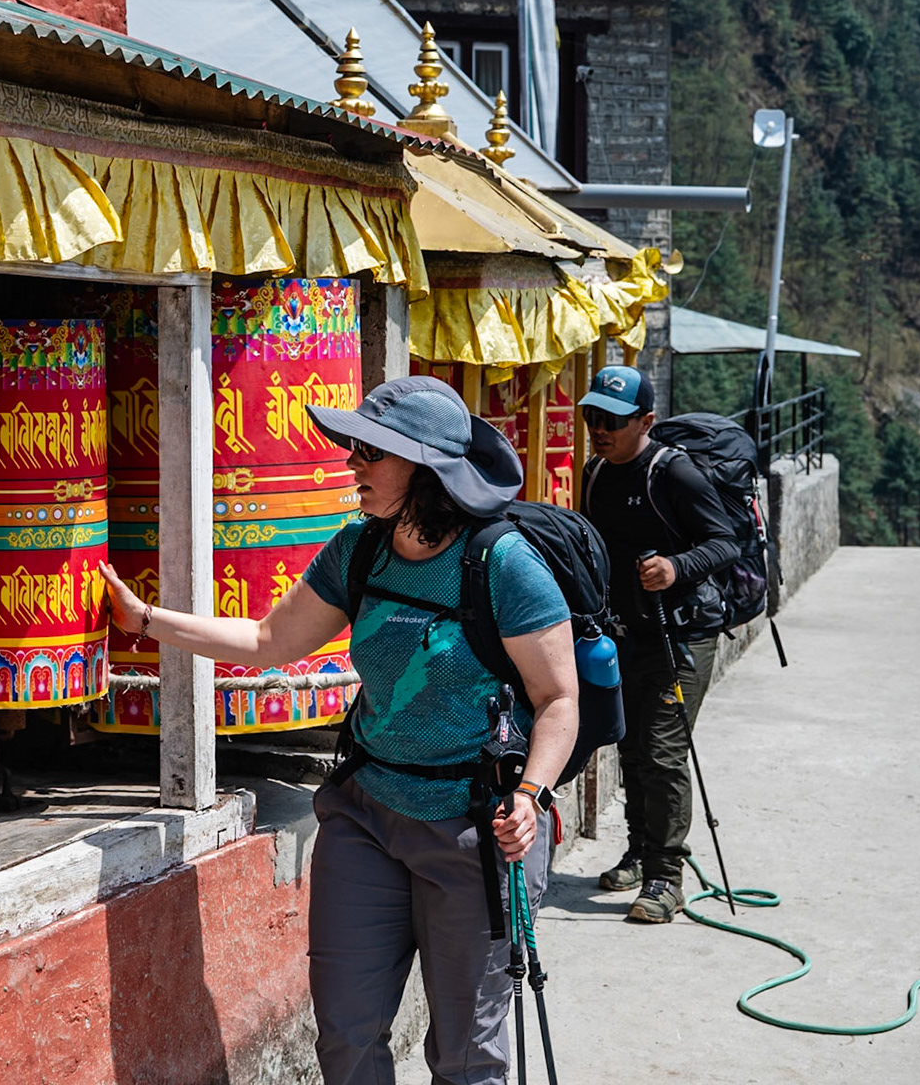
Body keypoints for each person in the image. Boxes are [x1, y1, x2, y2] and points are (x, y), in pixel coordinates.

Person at [101, 376, 578, 1085]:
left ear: (425, 468)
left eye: (370, 451)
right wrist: (146, 621)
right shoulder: (360, 547)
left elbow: (558, 698)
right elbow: (268, 639)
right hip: (366, 815)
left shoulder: (502, 563)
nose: (350, 462)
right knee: (346, 1038)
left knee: (466, 1056)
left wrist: (531, 795)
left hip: (473, 832)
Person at [576, 365, 738, 924]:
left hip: (684, 633)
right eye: (593, 416)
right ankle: (640, 852)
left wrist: (677, 566)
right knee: (630, 747)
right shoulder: (595, 473)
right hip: (625, 632)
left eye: (613, 420)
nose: (599, 428)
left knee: (663, 748)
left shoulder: (675, 473)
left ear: (646, 421)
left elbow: (725, 543)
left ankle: (667, 878)